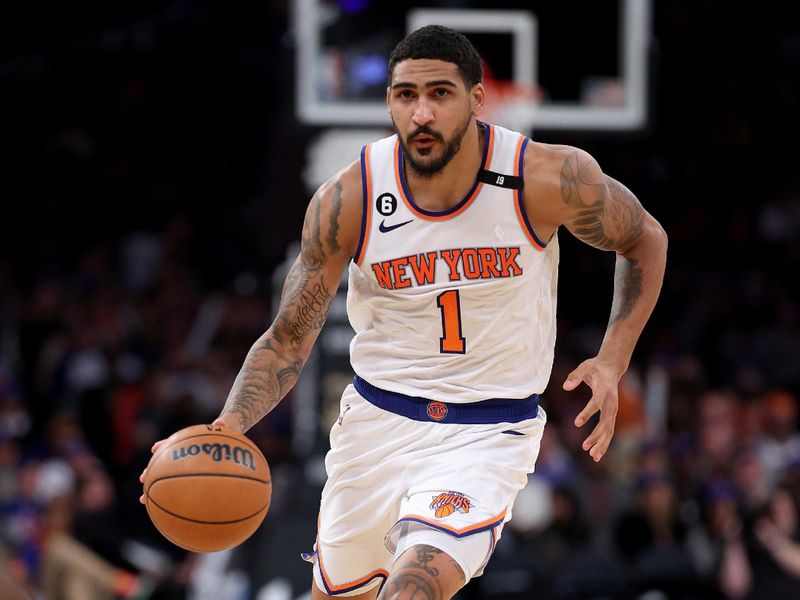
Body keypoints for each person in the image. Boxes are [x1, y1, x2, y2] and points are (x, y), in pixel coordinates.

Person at [141, 24, 667, 599]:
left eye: (440, 93)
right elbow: (288, 337)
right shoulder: (350, 197)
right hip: (375, 425)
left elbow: (645, 239)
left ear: (477, 98)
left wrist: (613, 360)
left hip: (485, 432)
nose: (421, 113)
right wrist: (224, 428)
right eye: (405, 95)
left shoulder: (545, 177)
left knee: (412, 588)